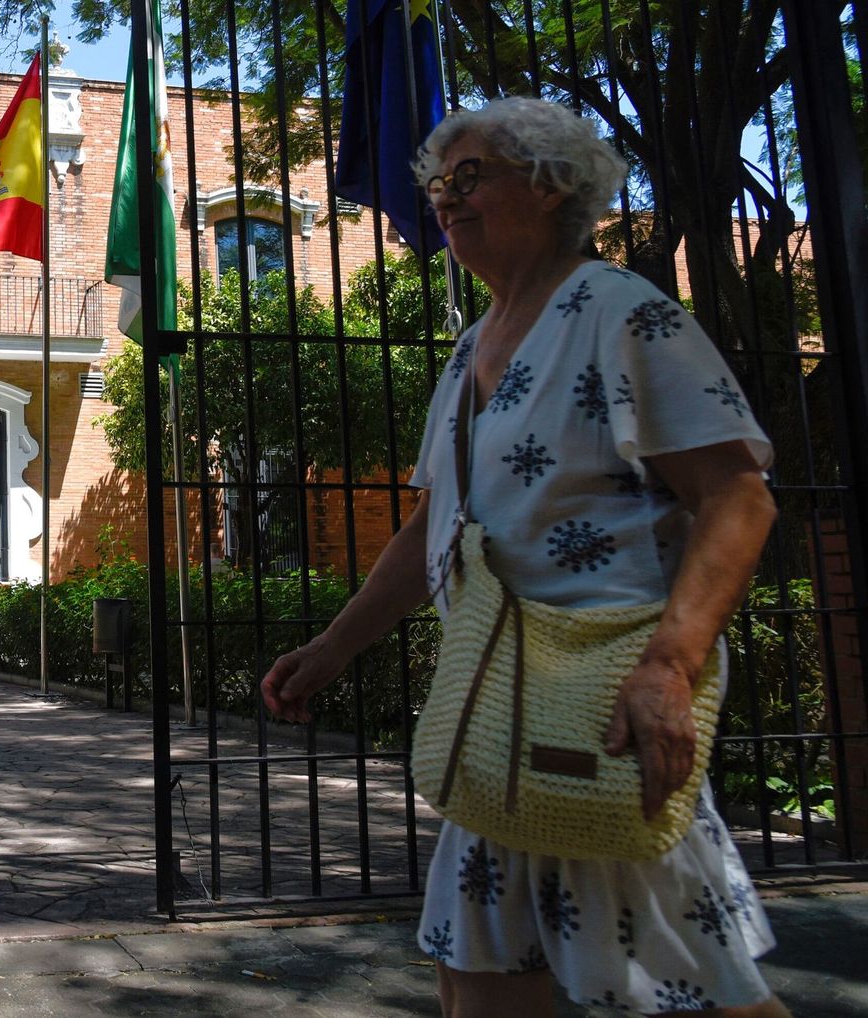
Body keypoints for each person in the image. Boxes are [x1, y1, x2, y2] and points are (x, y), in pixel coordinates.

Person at [260, 97, 790, 1018]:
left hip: (596, 717)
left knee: (685, 989)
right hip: (496, 714)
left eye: (470, 177)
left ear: (552, 186)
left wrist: (671, 667)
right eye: (437, 185)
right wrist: (333, 649)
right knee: (477, 979)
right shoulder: (471, 348)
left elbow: (737, 496)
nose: (446, 200)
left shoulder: (619, 312)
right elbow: (438, 526)